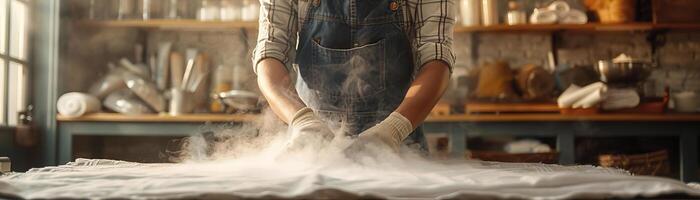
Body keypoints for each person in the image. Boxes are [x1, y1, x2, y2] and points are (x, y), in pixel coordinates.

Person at [253, 0, 454, 152]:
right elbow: (270, 53)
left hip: (399, 143)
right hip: (312, 144)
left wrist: (394, 129)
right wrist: (302, 121)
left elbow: (436, 58)